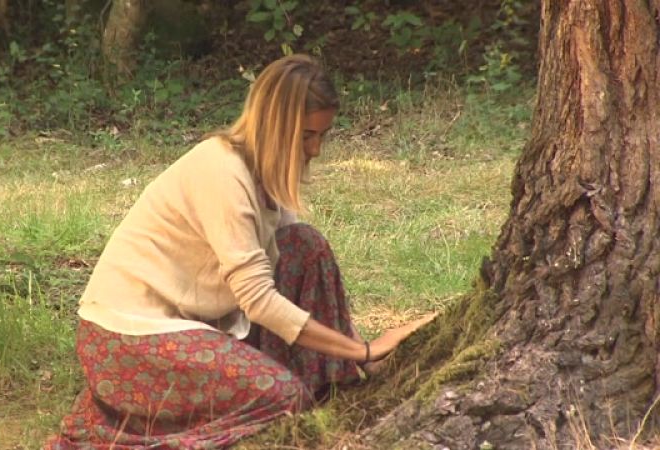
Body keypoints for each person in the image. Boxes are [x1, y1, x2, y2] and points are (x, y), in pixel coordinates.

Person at [46, 54, 437, 449]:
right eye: (306, 136)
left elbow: (298, 266)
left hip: (193, 325)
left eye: (322, 135)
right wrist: (364, 348)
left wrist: (362, 354)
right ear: (274, 126)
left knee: (306, 246)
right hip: (126, 339)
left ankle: (331, 376)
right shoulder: (222, 172)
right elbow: (259, 301)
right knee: (284, 399)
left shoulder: (262, 173)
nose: (316, 150)